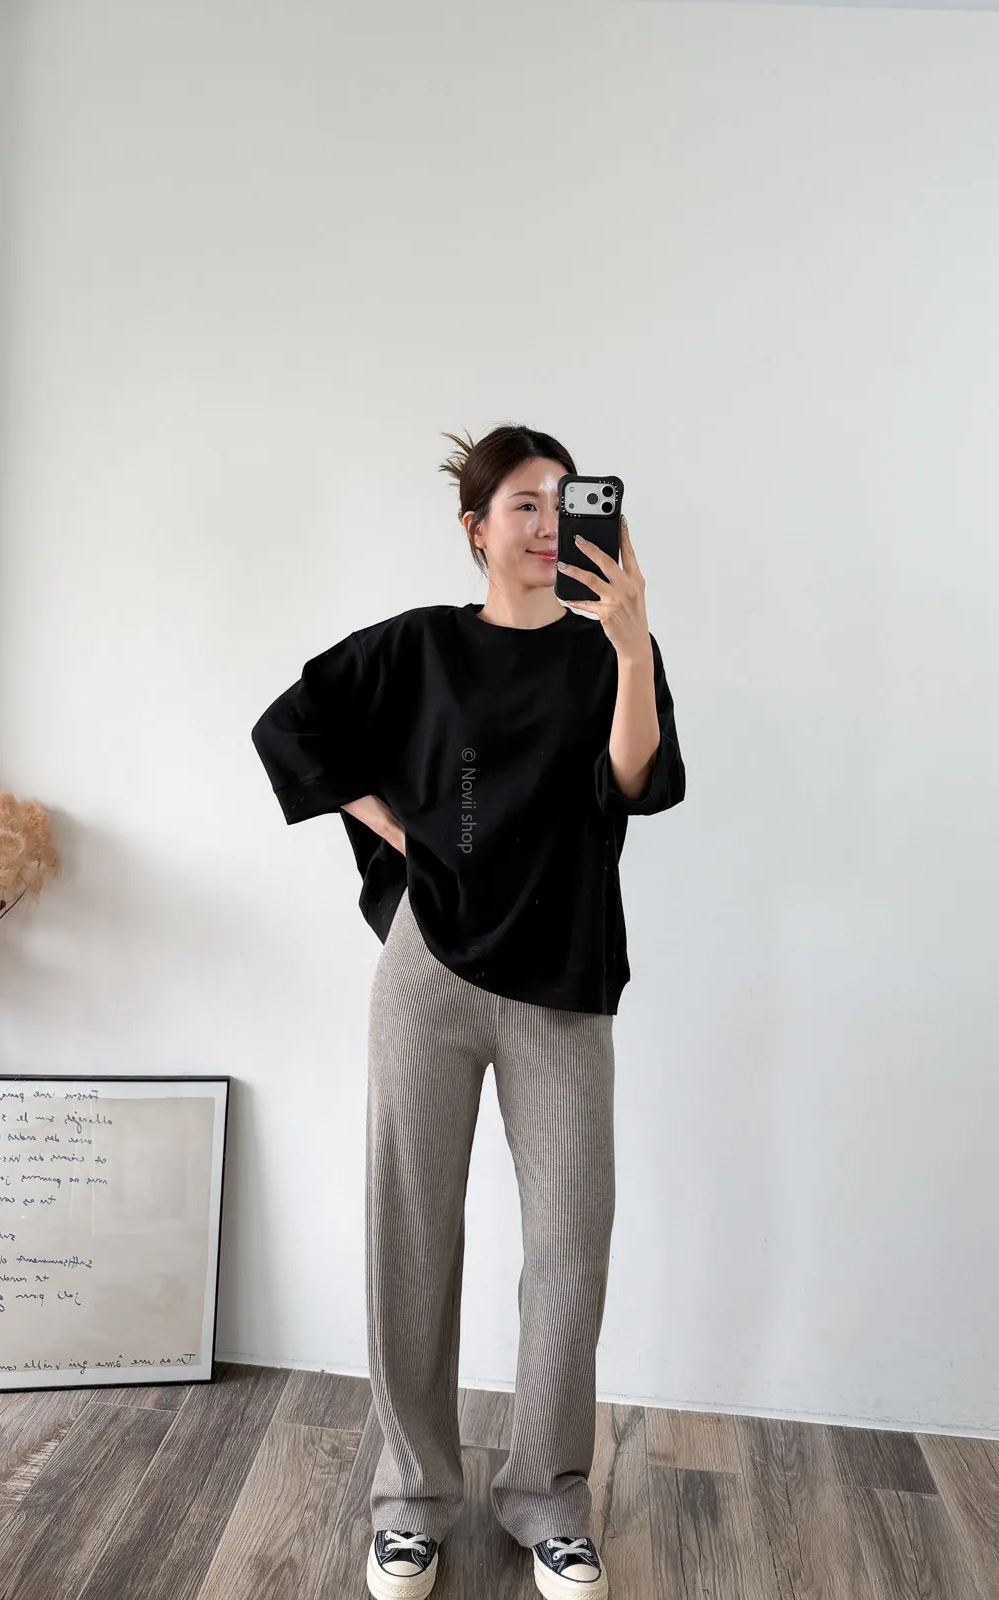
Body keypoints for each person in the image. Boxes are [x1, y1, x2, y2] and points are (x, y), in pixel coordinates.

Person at [251, 422, 685, 1599]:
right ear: (475, 529)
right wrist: (393, 826)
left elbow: (636, 784)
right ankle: (409, 1503)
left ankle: (548, 1499)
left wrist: (632, 647)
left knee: (569, 1242)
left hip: (562, 977)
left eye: (563, 502)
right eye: (523, 505)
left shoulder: (606, 651)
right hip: (428, 968)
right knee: (411, 1228)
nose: (546, 524)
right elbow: (289, 725)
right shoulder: (419, 646)